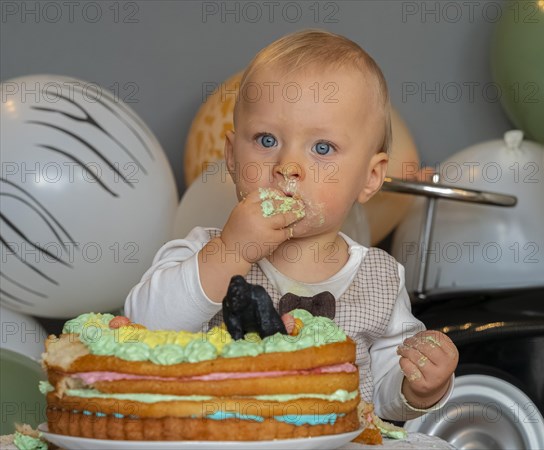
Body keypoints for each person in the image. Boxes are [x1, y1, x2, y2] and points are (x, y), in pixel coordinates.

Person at [125, 29, 458, 421]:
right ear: (231, 157)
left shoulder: (380, 279)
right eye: (266, 140)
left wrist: (419, 386)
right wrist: (231, 251)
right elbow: (143, 326)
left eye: (322, 148)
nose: (288, 166)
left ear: (370, 177)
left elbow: (384, 393)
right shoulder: (201, 254)